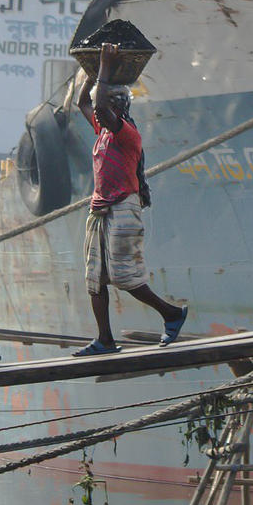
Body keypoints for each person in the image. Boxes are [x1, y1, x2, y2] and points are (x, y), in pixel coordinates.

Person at [73, 42, 188, 355]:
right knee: (94, 278)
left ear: (118, 107)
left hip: (124, 206)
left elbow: (96, 106)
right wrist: (92, 70)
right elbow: (83, 102)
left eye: (109, 103)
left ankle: (172, 314)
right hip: (100, 210)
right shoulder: (104, 132)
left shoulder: (126, 133)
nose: (103, 108)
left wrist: (106, 69)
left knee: (124, 277)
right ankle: (105, 339)